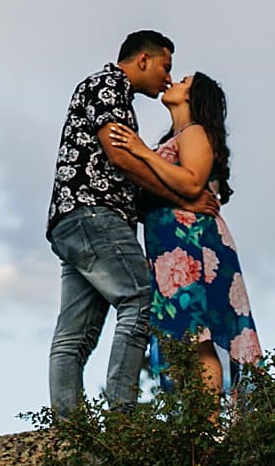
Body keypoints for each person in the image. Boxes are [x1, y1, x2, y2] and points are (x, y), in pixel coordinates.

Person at [46, 30, 220, 417]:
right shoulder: (109, 86)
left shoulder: (109, 92)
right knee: (140, 298)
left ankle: (69, 428)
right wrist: (185, 198)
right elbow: (122, 159)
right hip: (95, 215)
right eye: (166, 66)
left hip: (73, 220)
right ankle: (122, 412)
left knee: (75, 332)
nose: (168, 78)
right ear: (144, 60)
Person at [105, 72, 261, 397]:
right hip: (171, 247)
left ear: (194, 96)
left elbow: (192, 181)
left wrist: (142, 152)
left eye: (186, 79)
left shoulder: (195, 132)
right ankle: (195, 426)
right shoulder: (174, 138)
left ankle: (208, 427)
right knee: (185, 340)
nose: (175, 79)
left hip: (193, 245)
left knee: (198, 337)